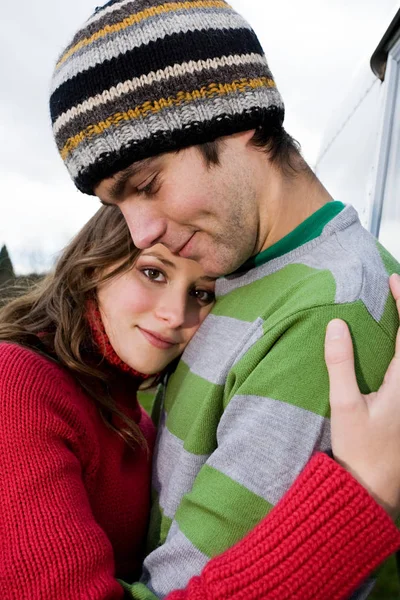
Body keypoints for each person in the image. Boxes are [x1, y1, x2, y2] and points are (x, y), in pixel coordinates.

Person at [48, 1, 400, 597]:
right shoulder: (237, 275)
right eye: (117, 207)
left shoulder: (324, 318)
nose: (140, 236)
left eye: (148, 185)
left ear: (237, 118)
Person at [1, 205, 400, 600]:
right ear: (93, 267)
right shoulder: (16, 383)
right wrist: (364, 496)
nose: (176, 314)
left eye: (201, 293)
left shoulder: (128, 413)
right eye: (153, 272)